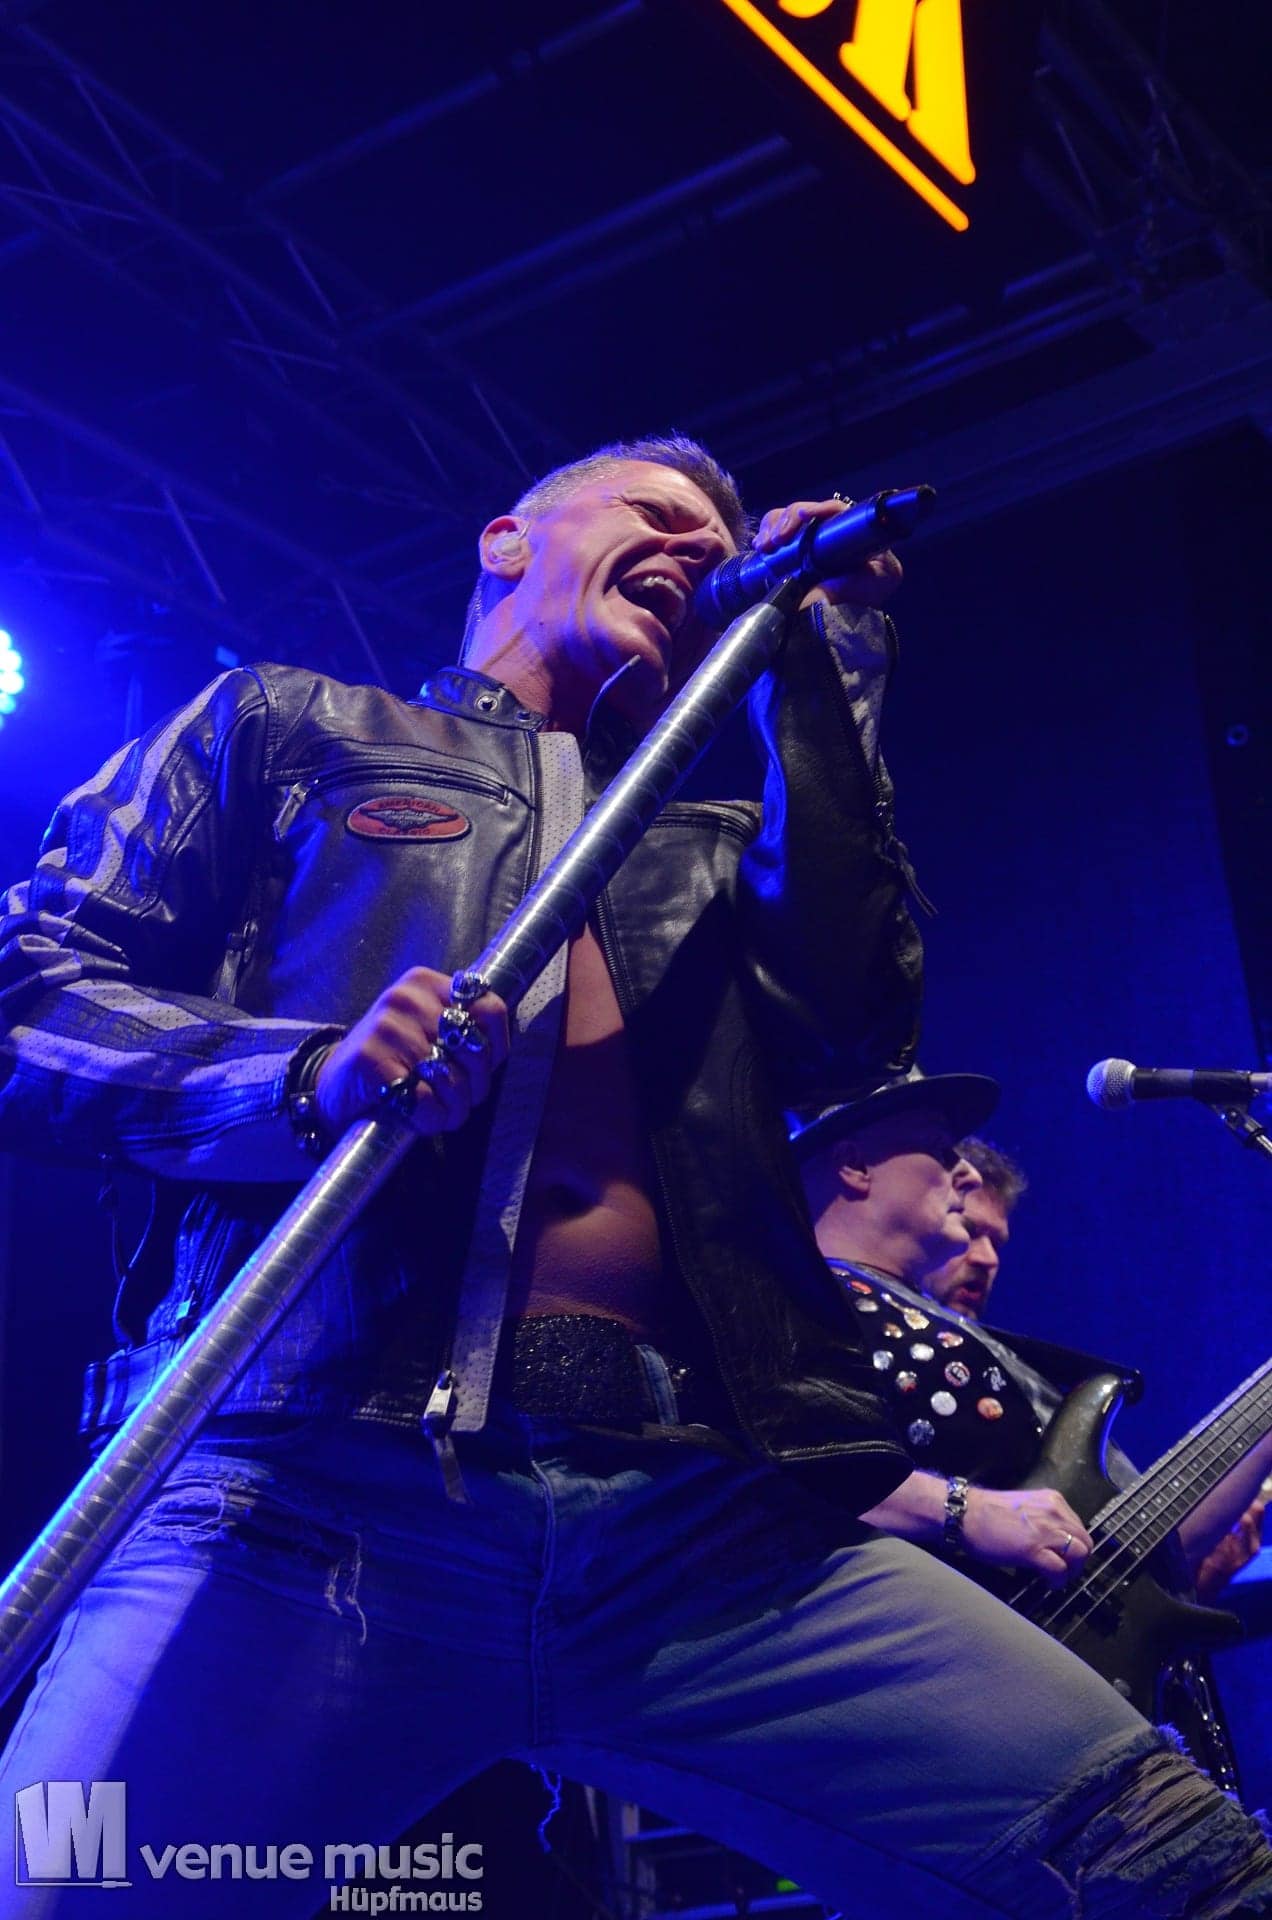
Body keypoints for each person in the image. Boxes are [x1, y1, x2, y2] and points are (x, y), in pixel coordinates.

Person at [1, 434, 1269, 1918]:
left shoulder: (704, 851)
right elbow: (30, 995)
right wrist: (301, 1078)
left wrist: (820, 660)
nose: (696, 547)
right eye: (657, 514)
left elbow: (856, 1021)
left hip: (703, 1529)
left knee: (1175, 1876)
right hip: (313, 1491)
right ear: (505, 541)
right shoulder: (290, 727)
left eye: (720, 545)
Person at [925, 1137, 1272, 1600]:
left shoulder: (1025, 1374)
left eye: (997, 1241)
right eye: (969, 1230)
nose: (988, 1259)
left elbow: (1134, 1548)